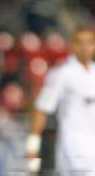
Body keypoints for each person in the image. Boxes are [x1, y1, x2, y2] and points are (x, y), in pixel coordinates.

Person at [26, 28, 95, 175]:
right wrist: (32, 146)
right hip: (72, 148)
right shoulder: (62, 73)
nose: (85, 47)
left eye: (89, 43)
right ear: (73, 45)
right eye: (80, 43)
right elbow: (42, 108)